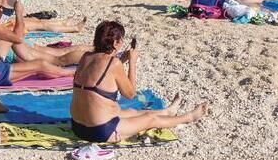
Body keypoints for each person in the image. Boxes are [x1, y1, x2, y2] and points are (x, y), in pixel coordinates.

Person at [68, 20, 208, 143]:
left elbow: (103, 72)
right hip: (100, 131)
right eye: (121, 41)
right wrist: (132, 62)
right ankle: (189, 117)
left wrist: (123, 59)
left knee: (130, 112)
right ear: (116, 43)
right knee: (150, 120)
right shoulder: (114, 63)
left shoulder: (86, 57)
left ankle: (167, 111)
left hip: (78, 128)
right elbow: (130, 94)